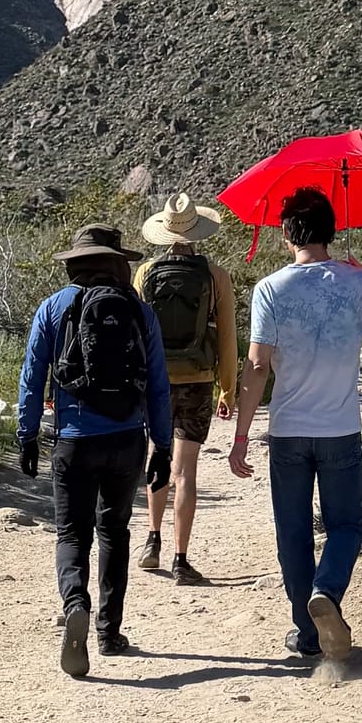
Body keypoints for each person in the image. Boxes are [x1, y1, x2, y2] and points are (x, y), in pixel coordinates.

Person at [228, 185, 362, 662]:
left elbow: (257, 366)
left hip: (288, 430)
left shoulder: (270, 288)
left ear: (287, 235)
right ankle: (327, 591)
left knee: (293, 532)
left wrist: (241, 436)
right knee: (346, 526)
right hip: (340, 427)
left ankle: (306, 634)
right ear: (332, 231)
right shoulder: (360, 281)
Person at [16, 224, 174, 678]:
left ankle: (75, 605)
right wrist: (163, 447)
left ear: (75, 264)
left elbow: (33, 376)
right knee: (115, 533)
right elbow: (158, 385)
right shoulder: (140, 311)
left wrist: (27, 434)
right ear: (117, 263)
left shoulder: (52, 307)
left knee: (71, 534)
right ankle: (109, 632)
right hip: (127, 440)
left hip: (74, 440)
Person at [133, 193, 238, 583]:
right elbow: (227, 338)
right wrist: (227, 389)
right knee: (185, 471)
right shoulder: (215, 275)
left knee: (157, 457)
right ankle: (181, 559)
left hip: (156, 381)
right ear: (197, 232)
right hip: (198, 378)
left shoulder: (145, 273)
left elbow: (137, 332)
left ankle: (152, 539)